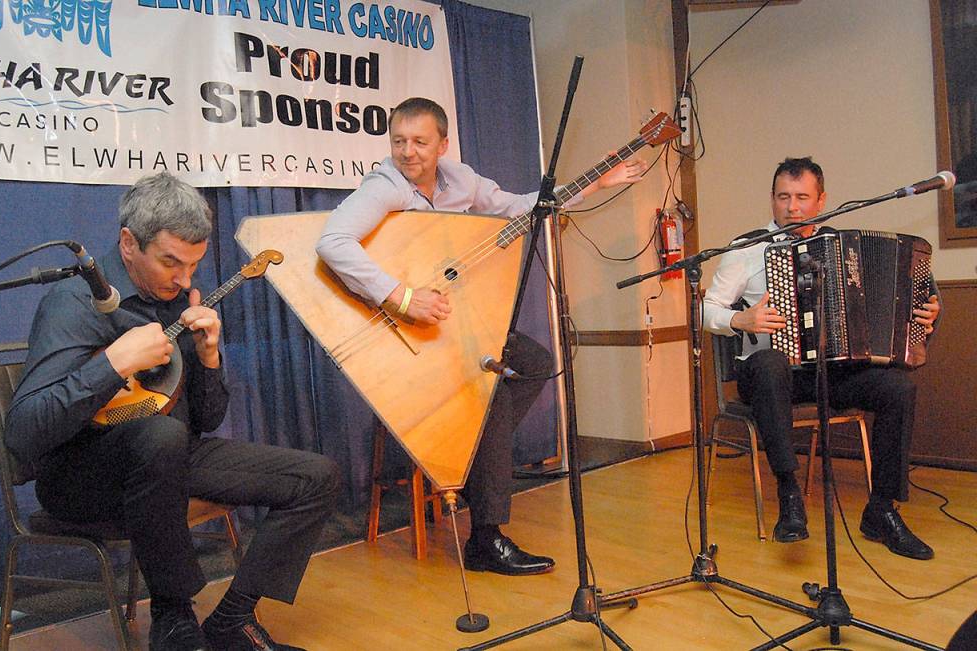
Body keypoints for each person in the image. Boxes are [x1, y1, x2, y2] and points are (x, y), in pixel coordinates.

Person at [5, 172, 340, 651]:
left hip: (167, 458)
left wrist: (209, 359)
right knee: (161, 437)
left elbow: (203, 422)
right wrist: (114, 364)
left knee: (315, 478)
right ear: (127, 243)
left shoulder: (177, 299)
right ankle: (173, 616)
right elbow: (22, 433)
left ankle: (232, 618)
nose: (184, 280)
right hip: (82, 476)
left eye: (194, 266)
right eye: (170, 263)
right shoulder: (75, 302)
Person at [315, 97, 648, 575]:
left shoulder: (461, 180)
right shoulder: (384, 186)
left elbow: (520, 208)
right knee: (487, 396)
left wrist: (594, 183)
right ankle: (485, 538)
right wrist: (402, 297)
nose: (408, 152)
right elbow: (332, 243)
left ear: (443, 144)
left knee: (533, 363)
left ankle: (468, 453)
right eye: (399, 141)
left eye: (420, 142)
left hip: (451, 324)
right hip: (405, 334)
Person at [703, 156, 940, 560]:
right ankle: (790, 494)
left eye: (801, 197)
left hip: (833, 373)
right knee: (770, 363)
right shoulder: (747, 248)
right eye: (783, 197)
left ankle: (881, 510)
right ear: (772, 200)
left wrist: (927, 312)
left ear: (821, 200)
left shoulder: (840, 246)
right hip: (769, 374)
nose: (792, 207)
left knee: (898, 388)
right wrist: (739, 317)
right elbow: (706, 309)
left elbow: (910, 299)